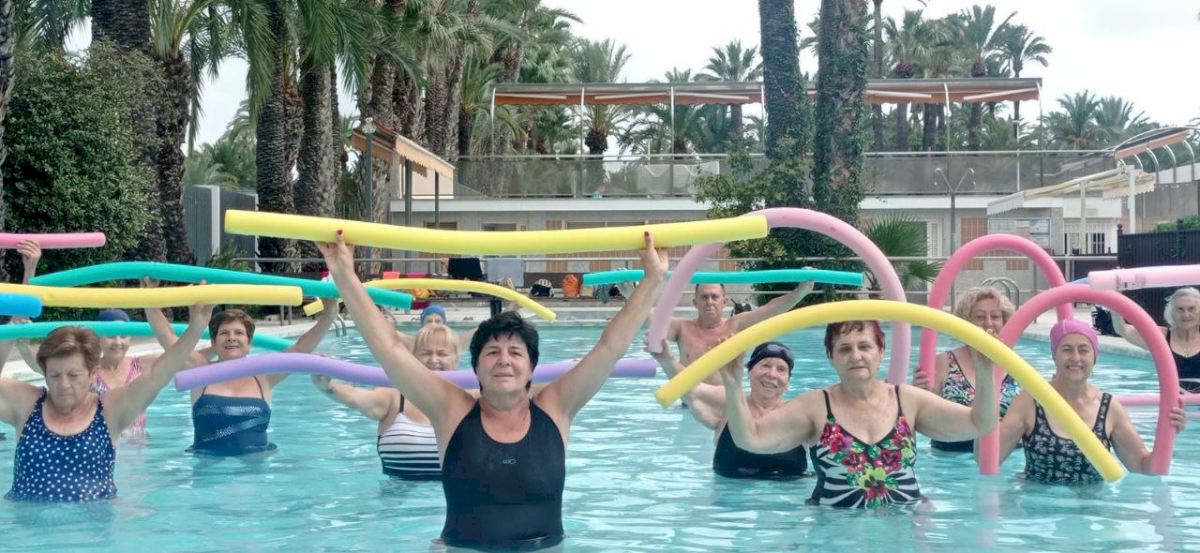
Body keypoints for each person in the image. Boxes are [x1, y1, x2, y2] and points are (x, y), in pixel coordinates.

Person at [318, 230, 667, 550]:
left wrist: (653, 279)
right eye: (492, 352)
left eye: (515, 352)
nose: (504, 360)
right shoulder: (451, 410)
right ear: (475, 368)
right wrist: (344, 273)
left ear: (532, 367)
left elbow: (609, 347)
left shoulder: (556, 407)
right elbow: (390, 350)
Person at [720, 320, 1000, 509]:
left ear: (881, 351)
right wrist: (733, 385)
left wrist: (985, 370)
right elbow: (751, 438)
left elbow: (981, 422)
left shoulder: (907, 400)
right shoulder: (817, 406)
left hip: (902, 533)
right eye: (844, 349)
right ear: (831, 357)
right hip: (836, 538)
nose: (856, 356)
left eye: (864, 346)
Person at [0, 304, 212, 501]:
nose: (63, 384)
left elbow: (158, 374)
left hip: (94, 525)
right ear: (45, 374)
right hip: (29, 525)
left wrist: (196, 328)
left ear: (93, 374)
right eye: (54, 375)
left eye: (73, 375)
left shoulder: (110, 409)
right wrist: (8, 335)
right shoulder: (28, 404)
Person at [985, 319, 1187, 486]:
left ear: (1094, 357)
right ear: (1054, 355)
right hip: (1038, 509)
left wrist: (1167, 435)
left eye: (1083, 350)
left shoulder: (1109, 408)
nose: (1076, 358)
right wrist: (984, 408)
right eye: (1067, 349)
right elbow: (988, 460)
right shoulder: (1029, 402)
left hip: (1092, 509)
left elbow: (1143, 467)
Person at [147, 296, 340, 456]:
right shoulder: (200, 371)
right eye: (224, 333)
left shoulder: (264, 376)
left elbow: (300, 348)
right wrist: (149, 297)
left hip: (255, 471)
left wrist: (330, 314)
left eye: (239, 333)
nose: (231, 337)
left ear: (249, 343)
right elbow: (168, 339)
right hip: (207, 469)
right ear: (213, 342)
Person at [311, 323, 461, 480]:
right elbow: (357, 397)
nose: (434, 360)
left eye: (442, 354)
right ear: (413, 358)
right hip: (399, 495)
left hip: (460, 496)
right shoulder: (393, 395)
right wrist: (328, 385)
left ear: (456, 360)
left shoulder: (471, 399)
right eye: (426, 353)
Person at [650, 339, 807, 479]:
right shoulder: (728, 402)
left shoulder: (801, 415)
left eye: (781, 369)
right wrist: (667, 358)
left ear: (788, 382)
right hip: (729, 500)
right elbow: (690, 389)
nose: (772, 374)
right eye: (765, 365)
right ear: (749, 372)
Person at [913, 286, 1021, 452]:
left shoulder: (1016, 365)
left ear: (1004, 321)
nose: (989, 323)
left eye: (995, 316)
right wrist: (916, 394)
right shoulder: (944, 363)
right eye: (979, 317)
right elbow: (923, 418)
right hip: (952, 458)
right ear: (965, 322)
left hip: (1006, 457)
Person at [662, 282, 813, 387]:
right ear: (695, 303)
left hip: (725, 407)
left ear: (724, 302)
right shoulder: (682, 328)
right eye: (704, 297)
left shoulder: (735, 326)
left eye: (714, 297)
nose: (709, 302)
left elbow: (769, 310)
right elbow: (650, 318)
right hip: (689, 407)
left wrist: (801, 291)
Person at [1114, 287, 1200, 392]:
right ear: (1171, 313)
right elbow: (1122, 329)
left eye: (1191, 308)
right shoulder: (1160, 337)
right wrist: (1115, 297)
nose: (1186, 314)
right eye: (1180, 309)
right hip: (1170, 402)